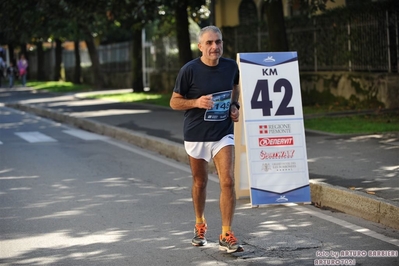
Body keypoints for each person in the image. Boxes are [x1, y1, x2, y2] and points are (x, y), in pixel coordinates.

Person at [169, 25, 243, 253]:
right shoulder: (189, 70)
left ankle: (226, 233)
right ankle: (200, 225)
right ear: (200, 46)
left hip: (222, 131)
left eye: (218, 42)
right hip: (196, 134)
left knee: (228, 181)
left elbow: (235, 87)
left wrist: (234, 106)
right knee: (200, 182)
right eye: (209, 43)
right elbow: (174, 102)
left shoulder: (231, 66)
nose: (215, 47)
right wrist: (196, 102)